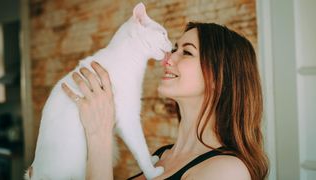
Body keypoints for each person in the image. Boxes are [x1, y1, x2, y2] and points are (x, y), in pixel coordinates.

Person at [62, 22, 269, 180]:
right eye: (175, 49)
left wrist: (99, 136)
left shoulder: (227, 171)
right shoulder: (162, 156)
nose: (166, 58)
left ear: (219, 76)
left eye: (186, 52)